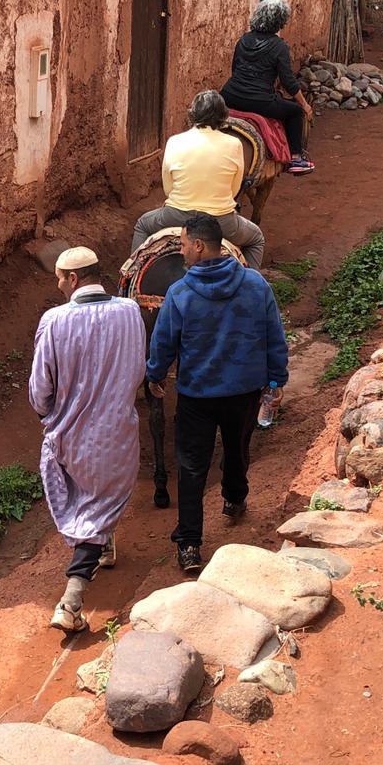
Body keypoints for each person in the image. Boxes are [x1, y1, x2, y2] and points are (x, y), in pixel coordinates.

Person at [145, 212, 288, 575]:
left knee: (192, 467)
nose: (180, 251)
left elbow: (164, 342)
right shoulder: (255, 285)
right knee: (238, 449)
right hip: (244, 390)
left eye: (181, 244)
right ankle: (235, 498)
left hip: (198, 395)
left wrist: (155, 375)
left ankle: (190, 544)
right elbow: (274, 334)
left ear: (197, 245)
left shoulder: (179, 293)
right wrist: (276, 380)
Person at [28, 246, 148, 634]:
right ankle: (77, 589)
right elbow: (138, 371)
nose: (59, 285)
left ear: (74, 279)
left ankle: (72, 598)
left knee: (87, 501)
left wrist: (49, 414)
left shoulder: (54, 320)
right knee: (103, 498)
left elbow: (40, 386)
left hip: (68, 435)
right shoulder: (130, 311)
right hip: (116, 433)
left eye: (60, 278)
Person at [129, 90, 267, 269]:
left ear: (192, 114)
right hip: (221, 221)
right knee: (256, 238)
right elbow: (233, 191)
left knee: (142, 225)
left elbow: (168, 189)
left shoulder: (174, 141)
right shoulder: (234, 144)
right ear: (223, 117)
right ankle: (250, 288)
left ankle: (129, 278)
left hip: (176, 215)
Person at [220, 0, 315, 175]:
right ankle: (296, 159)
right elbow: (288, 82)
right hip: (259, 101)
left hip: (229, 96)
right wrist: (304, 105)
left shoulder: (243, 40)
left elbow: (235, 69)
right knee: (294, 112)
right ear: (280, 21)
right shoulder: (279, 46)